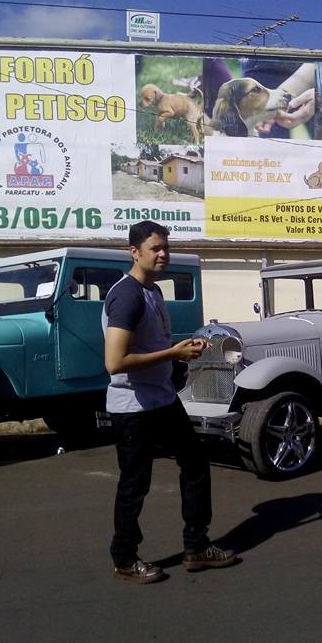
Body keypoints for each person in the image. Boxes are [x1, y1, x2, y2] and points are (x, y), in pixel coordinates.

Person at [103, 220, 237, 584]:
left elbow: (153, 348)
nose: (163, 254)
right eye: (155, 248)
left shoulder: (152, 292)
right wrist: (171, 353)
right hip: (133, 407)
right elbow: (114, 362)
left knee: (194, 463)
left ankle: (196, 547)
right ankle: (125, 559)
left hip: (161, 399)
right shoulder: (127, 295)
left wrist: (180, 352)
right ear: (134, 252)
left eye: (166, 247)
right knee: (135, 483)